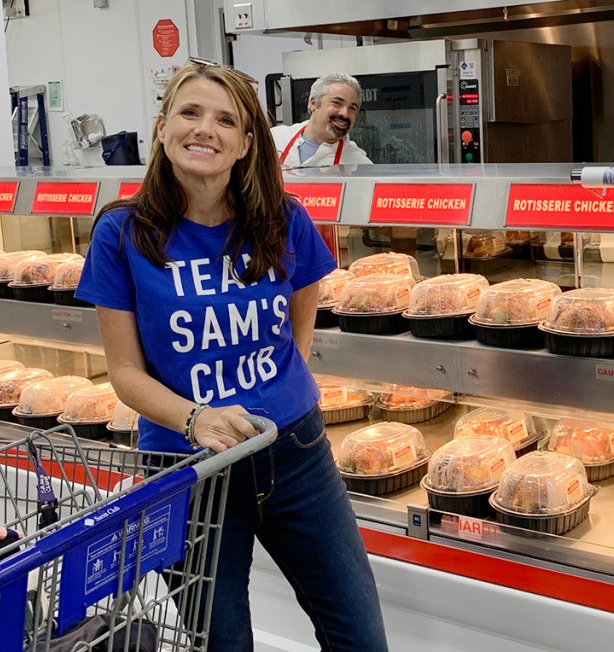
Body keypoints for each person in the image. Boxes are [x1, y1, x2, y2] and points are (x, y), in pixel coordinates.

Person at [75, 60, 388, 652]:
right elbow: (123, 372)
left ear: (248, 143)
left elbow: (301, 319)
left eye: (226, 120)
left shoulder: (283, 219)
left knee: (360, 636)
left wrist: (281, 392)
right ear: (163, 127)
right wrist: (196, 417)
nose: (205, 130)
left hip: (295, 454)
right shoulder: (121, 233)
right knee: (223, 643)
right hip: (188, 470)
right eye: (189, 113)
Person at [272, 72, 373, 167]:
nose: (345, 114)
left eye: (352, 108)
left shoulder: (359, 165)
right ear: (313, 103)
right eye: (337, 103)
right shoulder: (275, 139)